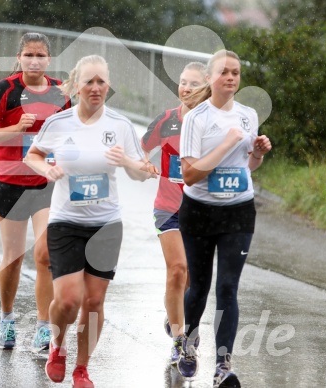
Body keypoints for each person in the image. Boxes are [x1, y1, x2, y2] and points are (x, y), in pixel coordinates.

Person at [24, 55, 157, 388]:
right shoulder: (60, 123)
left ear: (108, 85)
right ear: (76, 86)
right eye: (89, 82)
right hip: (66, 221)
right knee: (68, 300)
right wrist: (47, 169)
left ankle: (82, 369)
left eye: (101, 82)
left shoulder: (120, 125)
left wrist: (127, 160)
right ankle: (57, 346)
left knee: (94, 301)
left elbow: (142, 174)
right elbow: (33, 155)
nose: (95, 88)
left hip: (106, 224)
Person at [176, 49, 272, 387]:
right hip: (200, 212)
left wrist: (257, 153)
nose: (230, 78)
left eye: (235, 72)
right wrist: (226, 144)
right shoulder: (196, 117)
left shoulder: (248, 115)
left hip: (239, 211)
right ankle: (187, 343)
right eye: (224, 72)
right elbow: (189, 174)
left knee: (228, 287)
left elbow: (247, 168)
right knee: (199, 287)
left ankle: (222, 366)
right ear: (210, 78)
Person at [0, 32, 71, 352]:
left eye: (40, 55)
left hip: (47, 183)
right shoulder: (5, 90)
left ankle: (44, 327)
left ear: (49, 60)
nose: (34, 60)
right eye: (28, 55)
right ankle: (6, 319)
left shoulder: (61, 92)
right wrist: (15, 130)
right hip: (11, 182)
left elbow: (75, 132)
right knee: (13, 257)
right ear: (19, 57)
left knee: (45, 256)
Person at [141, 62, 208, 365]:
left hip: (202, 210)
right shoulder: (167, 119)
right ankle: (181, 342)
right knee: (177, 270)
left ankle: (177, 316)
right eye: (183, 82)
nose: (186, 88)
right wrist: (145, 162)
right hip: (167, 207)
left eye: (193, 84)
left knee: (193, 279)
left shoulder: (212, 123)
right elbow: (140, 146)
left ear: (207, 88)